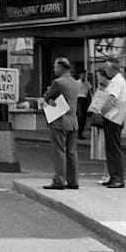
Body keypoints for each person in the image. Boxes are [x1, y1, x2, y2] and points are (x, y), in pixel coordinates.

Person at [41, 57, 81, 190]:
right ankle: (73, 181)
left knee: (59, 151)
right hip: (73, 121)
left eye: (55, 67)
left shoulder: (58, 82)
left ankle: (59, 180)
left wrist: (50, 99)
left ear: (61, 67)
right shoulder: (76, 83)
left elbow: (47, 97)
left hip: (59, 121)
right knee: (71, 152)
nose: (54, 69)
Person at [97, 61, 126, 187]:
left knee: (114, 148)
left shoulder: (117, 81)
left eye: (107, 68)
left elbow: (111, 99)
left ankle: (117, 178)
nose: (106, 70)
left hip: (114, 116)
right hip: (113, 116)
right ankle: (113, 176)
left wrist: (101, 111)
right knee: (110, 148)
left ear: (113, 69)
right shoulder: (115, 81)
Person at [76, 69, 92, 139]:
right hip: (79, 99)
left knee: (84, 117)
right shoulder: (77, 83)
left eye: (85, 75)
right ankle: (78, 133)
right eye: (82, 74)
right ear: (80, 75)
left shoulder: (87, 83)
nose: (84, 76)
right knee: (80, 116)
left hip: (85, 99)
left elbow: (90, 92)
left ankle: (81, 133)